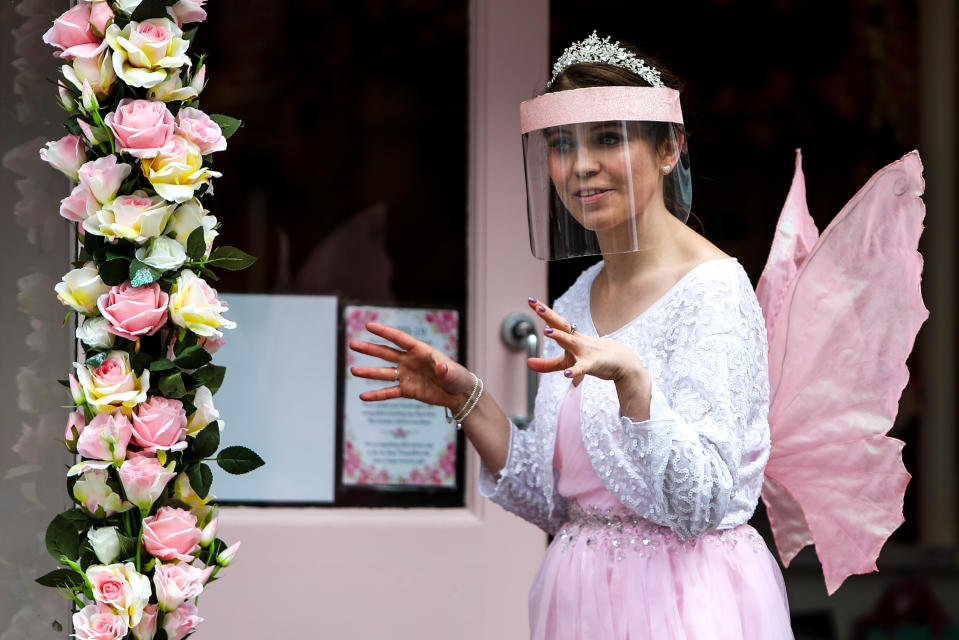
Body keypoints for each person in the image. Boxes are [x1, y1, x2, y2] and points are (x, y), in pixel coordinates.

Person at [350, 32, 794, 639]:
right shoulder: (579, 294)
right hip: (579, 604)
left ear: (670, 149)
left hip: (680, 606)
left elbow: (703, 505)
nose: (580, 165)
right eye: (562, 145)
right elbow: (556, 502)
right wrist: (467, 399)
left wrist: (636, 384)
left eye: (608, 139)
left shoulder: (713, 290)